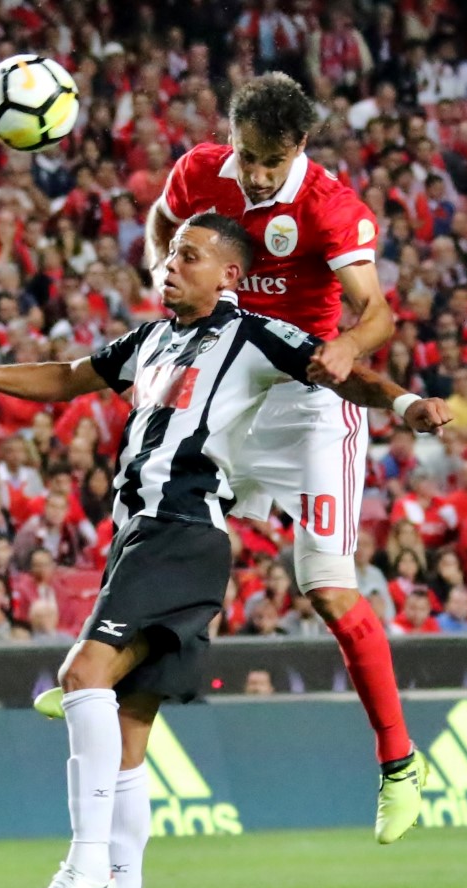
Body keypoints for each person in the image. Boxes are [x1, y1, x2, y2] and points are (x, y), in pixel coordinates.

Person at [0, 212, 450, 888]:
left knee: (82, 675)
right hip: (144, 536)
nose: (170, 266)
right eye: (169, 254)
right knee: (127, 741)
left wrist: (406, 402)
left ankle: (86, 863)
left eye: (190, 257)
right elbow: (67, 373)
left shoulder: (257, 335)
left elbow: (340, 375)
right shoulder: (150, 341)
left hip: (184, 529)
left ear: (230, 275)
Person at [146, 72, 432, 840]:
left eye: (272, 160)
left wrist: (344, 346)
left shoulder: (330, 206)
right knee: (158, 507)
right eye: (249, 156)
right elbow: (163, 219)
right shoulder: (205, 169)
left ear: (300, 145)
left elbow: (377, 312)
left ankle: (400, 761)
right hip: (232, 382)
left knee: (326, 586)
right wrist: (160, 280)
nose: (258, 173)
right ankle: (101, 670)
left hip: (311, 399)